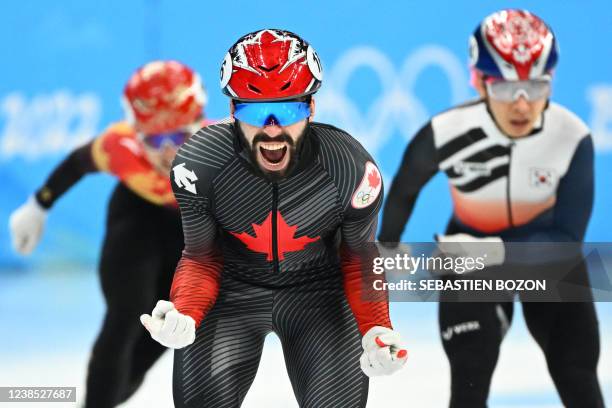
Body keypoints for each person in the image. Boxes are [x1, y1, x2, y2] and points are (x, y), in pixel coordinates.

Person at [140, 29, 408, 408]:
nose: (271, 128)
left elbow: (359, 256)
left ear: (311, 108)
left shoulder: (349, 168)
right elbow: (202, 256)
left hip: (318, 295)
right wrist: (186, 308)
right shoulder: (199, 165)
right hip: (233, 294)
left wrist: (376, 326)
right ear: (232, 111)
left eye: (288, 109)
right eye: (253, 110)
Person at [378, 10, 603, 408]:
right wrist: (388, 245)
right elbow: (405, 188)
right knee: (470, 370)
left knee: (576, 373)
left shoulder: (571, 137)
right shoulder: (445, 132)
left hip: (545, 258)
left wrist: (493, 252)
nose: (521, 104)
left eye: (535, 87)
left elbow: (567, 244)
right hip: (470, 258)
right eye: (505, 88)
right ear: (478, 81)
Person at [9, 60, 210, 408]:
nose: (166, 150)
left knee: (161, 331)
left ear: (198, 125)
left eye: (179, 136)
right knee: (126, 314)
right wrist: (38, 206)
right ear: (136, 133)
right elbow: (76, 164)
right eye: (154, 138)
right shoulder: (120, 145)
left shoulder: (223, 150)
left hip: (186, 233)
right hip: (136, 220)